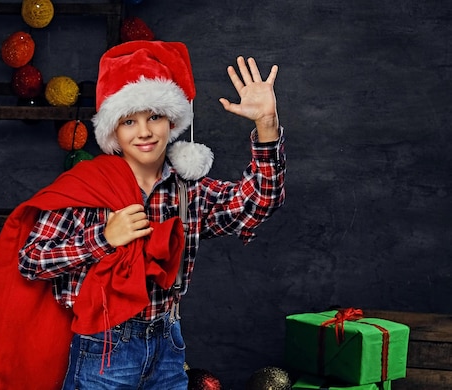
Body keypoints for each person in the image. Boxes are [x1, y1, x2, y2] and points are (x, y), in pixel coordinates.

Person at [15, 40, 286, 389]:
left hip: (168, 344)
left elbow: (258, 203)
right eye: (129, 121)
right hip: (105, 349)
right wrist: (103, 238)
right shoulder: (88, 189)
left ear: (171, 121)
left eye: (154, 116)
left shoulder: (188, 190)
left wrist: (267, 124)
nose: (144, 131)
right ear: (113, 129)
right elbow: (31, 260)